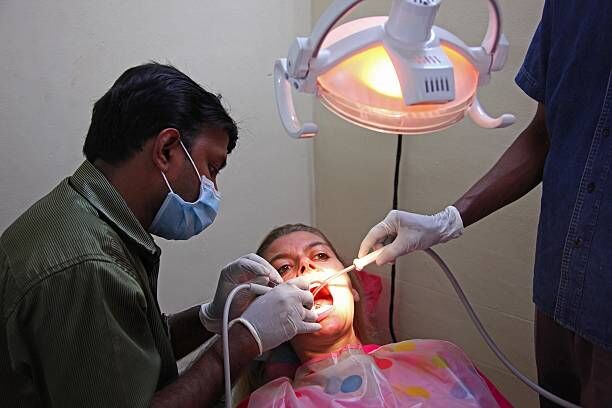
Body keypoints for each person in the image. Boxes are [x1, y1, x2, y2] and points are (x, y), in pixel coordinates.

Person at [0, 63, 320, 408]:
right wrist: (242, 340)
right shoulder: (89, 265)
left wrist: (211, 317)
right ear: (167, 149)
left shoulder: (84, 219)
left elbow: (128, 353)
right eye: (211, 168)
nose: (213, 189)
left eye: (320, 256)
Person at [359, 2, 612, 406]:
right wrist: (448, 219)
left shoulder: (438, 368)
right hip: (559, 285)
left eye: (317, 255)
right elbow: (544, 135)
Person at [235, 224, 511, 407]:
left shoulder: (440, 359)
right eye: (283, 268)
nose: (306, 267)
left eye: (320, 255)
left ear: (353, 290)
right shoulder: (268, 404)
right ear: (269, 311)